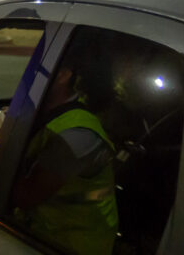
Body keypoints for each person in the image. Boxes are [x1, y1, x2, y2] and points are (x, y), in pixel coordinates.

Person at [10, 36, 118, 255]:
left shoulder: (76, 135)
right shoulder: (49, 113)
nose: (25, 76)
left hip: (70, 243)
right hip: (41, 233)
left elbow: (25, 197)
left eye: (34, 69)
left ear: (62, 75)